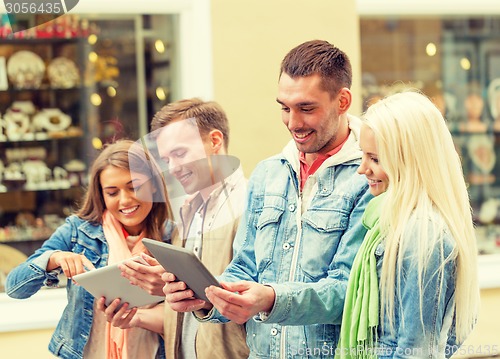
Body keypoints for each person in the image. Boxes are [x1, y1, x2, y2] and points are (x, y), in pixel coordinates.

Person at [163, 40, 372, 358]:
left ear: (343, 101)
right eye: (285, 108)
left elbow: (351, 290)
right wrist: (206, 296)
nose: (293, 123)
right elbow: (244, 268)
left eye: (306, 108)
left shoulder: (368, 178)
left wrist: (271, 298)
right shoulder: (267, 174)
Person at [336, 91, 479, 358]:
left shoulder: (422, 234)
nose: (362, 168)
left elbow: (416, 350)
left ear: (411, 161)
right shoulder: (391, 218)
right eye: (363, 156)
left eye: (375, 159)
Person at [5, 139, 173, 359]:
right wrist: (53, 258)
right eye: (112, 192)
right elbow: (14, 288)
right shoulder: (78, 231)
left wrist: (138, 316)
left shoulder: (174, 237)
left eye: (135, 187)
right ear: (101, 195)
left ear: (153, 185)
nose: (125, 200)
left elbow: (184, 316)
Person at [118, 98, 249, 359]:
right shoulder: (189, 211)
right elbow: (187, 314)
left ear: (214, 141)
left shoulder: (249, 205)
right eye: (166, 158)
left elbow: (253, 300)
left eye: (180, 153)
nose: (173, 168)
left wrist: (179, 284)